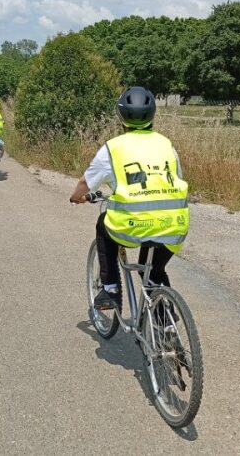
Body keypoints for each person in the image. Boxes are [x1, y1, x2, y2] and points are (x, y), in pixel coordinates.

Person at [69, 86, 189, 310]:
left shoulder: (113, 148)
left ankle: (110, 289)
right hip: (175, 224)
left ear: (120, 116)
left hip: (133, 224)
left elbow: (85, 183)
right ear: (152, 114)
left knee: (103, 225)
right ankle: (165, 324)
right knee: (154, 270)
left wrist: (76, 197)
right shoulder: (167, 145)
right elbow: (177, 178)